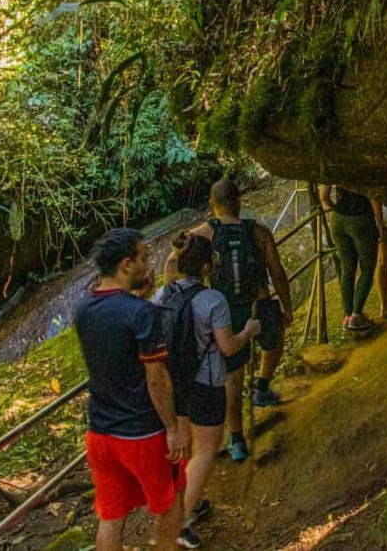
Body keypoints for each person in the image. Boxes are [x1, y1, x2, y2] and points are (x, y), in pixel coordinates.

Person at [74, 228, 188, 551]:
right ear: (126, 264)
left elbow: (115, 338)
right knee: (169, 501)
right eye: (143, 258)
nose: (148, 264)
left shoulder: (84, 309)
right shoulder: (141, 314)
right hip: (142, 434)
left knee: (110, 516)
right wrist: (172, 428)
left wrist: (138, 300)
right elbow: (156, 378)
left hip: (100, 433)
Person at [166, 179, 292, 462]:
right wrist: (287, 307)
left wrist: (175, 295)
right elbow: (277, 272)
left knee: (232, 380)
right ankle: (261, 385)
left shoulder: (203, 233)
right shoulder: (259, 232)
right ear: (239, 202)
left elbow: (173, 261)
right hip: (259, 305)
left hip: (224, 310)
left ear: (213, 205)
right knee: (274, 341)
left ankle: (236, 439)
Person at [153, 233, 261, 548]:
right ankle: (180, 521)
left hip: (175, 382)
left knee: (185, 449)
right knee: (205, 451)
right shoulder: (213, 300)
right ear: (207, 265)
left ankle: (186, 501)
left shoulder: (162, 294)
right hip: (206, 383)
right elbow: (227, 348)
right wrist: (247, 332)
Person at [319, 184, 379, 331]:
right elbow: (374, 196)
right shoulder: (363, 165)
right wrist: (379, 223)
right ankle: (356, 315)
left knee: (347, 268)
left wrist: (336, 209)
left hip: (338, 219)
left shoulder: (336, 164)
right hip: (361, 218)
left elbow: (324, 196)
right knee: (367, 268)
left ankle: (347, 315)